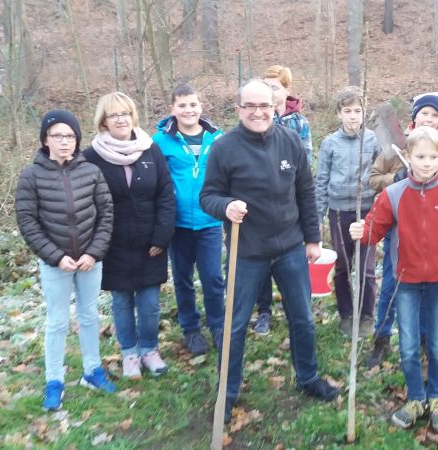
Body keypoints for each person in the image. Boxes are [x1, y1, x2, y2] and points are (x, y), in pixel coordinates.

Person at [200, 79, 338, 423]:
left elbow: (305, 192)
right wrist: (226, 206)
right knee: (235, 324)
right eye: (250, 106)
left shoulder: (290, 141)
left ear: (275, 107)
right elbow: (208, 197)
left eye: (264, 105)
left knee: (303, 317)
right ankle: (228, 391)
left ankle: (308, 377)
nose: (258, 112)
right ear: (239, 110)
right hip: (247, 251)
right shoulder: (224, 149)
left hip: (290, 248)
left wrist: (312, 239)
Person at [349, 126, 438, 432]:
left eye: (433, 157)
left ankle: (436, 396)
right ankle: (416, 398)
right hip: (405, 281)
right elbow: (374, 230)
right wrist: (361, 232)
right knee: (408, 345)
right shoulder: (393, 194)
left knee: (437, 344)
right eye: (420, 157)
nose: (426, 163)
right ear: (408, 156)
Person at [15, 109, 116, 411]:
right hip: (55, 264)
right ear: (45, 139)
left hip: (89, 261)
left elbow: (106, 214)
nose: (64, 141)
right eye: (57, 135)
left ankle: (92, 371)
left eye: (70, 136)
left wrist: (93, 252)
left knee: (90, 316)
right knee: (57, 321)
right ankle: (54, 381)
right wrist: (56, 257)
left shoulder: (91, 172)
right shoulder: (31, 176)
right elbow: (27, 221)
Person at [365, 92, 438, 368]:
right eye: (424, 113)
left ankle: (423, 339)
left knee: (427, 291)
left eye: (435, 115)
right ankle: (382, 338)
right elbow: (373, 179)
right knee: (391, 287)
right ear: (415, 116)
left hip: (433, 236)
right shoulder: (397, 148)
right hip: (398, 231)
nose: (429, 119)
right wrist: (394, 178)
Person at [83, 92, 175, 379]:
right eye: (113, 115)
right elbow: (87, 203)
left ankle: (150, 350)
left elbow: (165, 194)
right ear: (104, 121)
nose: (120, 119)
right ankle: (130, 354)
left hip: (150, 243)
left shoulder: (150, 150)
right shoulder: (91, 157)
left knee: (150, 304)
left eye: (125, 113)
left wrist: (161, 236)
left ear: (132, 116)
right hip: (113, 245)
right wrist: (97, 243)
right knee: (122, 302)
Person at [153, 84, 226, 357]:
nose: (188, 110)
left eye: (193, 104)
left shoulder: (218, 139)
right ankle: (191, 329)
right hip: (178, 224)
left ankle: (218, 325)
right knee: (183, 279)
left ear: (201, 107)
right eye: (182, 105)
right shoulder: (160, 142)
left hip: (209, 221)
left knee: (213, 277)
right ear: (172, 109)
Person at [252, 64, 315, 336]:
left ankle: (295, 309)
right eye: (266, 87)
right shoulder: (256, 120)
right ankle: (264, 310)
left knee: (291, 263)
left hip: (289, 205)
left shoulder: (298, 123)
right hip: (259, 206)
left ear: (287, 90)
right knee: (261, 263)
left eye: (275, 87)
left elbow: (305, 166)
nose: (271, 92)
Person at [314, 86, 380, 338]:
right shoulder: (330, 143)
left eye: (357, 111)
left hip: (367, 212)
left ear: (364, 113)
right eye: (348, 111)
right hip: (339, 212)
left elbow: (381, 174)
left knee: (366, 268)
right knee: (342, 266)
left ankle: (366, 316)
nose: (353, 116)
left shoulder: (372, 140)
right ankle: (346, 314)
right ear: (339, 114)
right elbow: (321, 181)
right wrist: (318, 217)